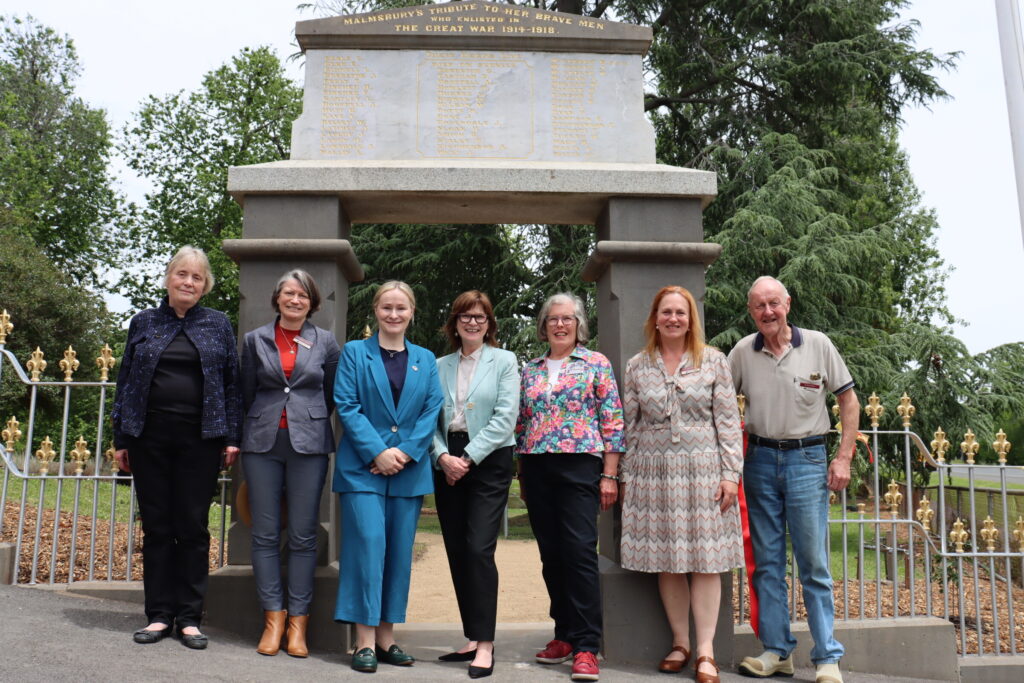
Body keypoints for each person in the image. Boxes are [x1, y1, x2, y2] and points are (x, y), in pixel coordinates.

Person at [728, 276, 858, 683]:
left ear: (788, 303)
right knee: (767, 564)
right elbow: (718, 401)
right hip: (760, 461)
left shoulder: (818, 344)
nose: (768, 312)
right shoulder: (741, 353)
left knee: (813, 563)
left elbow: (848, 400)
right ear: (751, 312)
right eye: (759, 307)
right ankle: (777, 651)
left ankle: (827, 658)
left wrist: (843, 458)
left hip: (807, 460)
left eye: (774, 304)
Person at [112, 245, 241, 650]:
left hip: (200, 440)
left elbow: (232, 384)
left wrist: (232, 436)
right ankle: (158, 615)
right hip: (148, 438)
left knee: (192, 527)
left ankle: (188, 617)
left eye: (197, 277)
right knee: (157, 527)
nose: (188, 282)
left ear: (205, 287)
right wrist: (120, 438)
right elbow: (126, 380)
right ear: (168, 278)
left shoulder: (218, 324)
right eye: (182, 274)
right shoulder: (144, 322)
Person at [618, 286, 743, 683]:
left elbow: (727, 423)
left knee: (706, 562)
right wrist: (626, 477)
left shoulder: (714, 362)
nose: (674, 318)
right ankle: (679, 642)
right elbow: (630, 426)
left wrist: (730, 475)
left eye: (681, 312)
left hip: (705, 471)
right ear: (655, 318)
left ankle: (705, 652)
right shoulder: (637, 366)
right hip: (653, 473)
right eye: (667, 311)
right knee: (666, 559)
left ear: (691, 320)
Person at [332, 280, 444, 674]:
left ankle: (386, 638)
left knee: (398, 554)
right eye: (386, 307)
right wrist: (378, 451)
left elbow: (431, 411)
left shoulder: (426, 359)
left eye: (401, 308)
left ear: (411, 312)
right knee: (368, 546)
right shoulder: (353, 353)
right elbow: (346, 405)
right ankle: (363, 641)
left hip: (408, 472)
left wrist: (405, 452)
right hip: (362, 469)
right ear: (376, 311)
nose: (393, 314)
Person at [515, 292, 624, 683]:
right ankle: (563, 634)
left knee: (579, 552)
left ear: (579, 325)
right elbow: (522, 424)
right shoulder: (529, 370)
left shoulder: (596, 364)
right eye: (553, 320)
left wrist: (609, 474)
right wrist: (522, 474)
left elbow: (612, 420)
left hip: (581, 465)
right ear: (543, 326)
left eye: (567, 319)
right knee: (551, 554)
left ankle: (586, 646)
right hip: (537, 466)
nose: (560, 325)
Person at [239, 270, 340, 658]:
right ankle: (273, 620)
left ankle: (298, 623)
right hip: (262, 443)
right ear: (277, 298)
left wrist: (306, 418)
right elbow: (245, 391)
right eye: (289, 293)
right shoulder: (255, 340)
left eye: (303, 295)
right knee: (264, 534)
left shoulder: (326, 342)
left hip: (309, 444)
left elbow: (330, 394)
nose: (295, 300)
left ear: (312, 302)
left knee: (302, 535)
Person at [432, 291, 519, 679]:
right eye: (465, 316)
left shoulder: (505, 362)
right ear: (454, 323)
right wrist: (441, 457)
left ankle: (485, 644)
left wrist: (467, 458)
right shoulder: (437, 365)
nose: (472, 322)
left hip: (489, 458)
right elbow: (425, 419)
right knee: (456, 548)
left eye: (480, 317)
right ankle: (471, 636)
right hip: (446, 458)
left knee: (478, 548)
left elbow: (505, 418)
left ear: (489, 323)